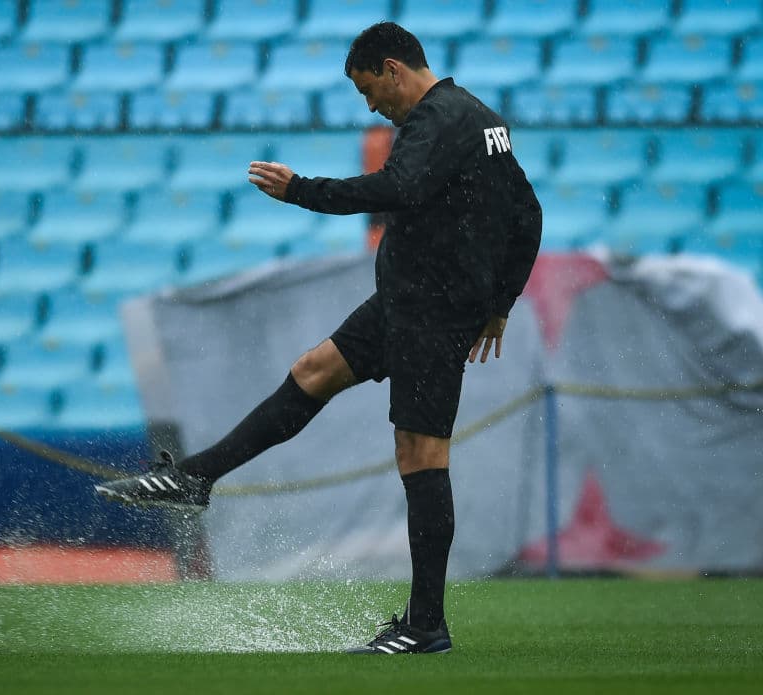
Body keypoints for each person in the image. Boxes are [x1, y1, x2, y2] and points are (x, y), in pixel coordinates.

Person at [95, 21, 542, 655]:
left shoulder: (436, 121)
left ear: (392, 68)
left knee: (421, 455)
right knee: (313, 371)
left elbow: (398, 188)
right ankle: (197, 479)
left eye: (368, 90)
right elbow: (529, 213)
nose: (370, 105)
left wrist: (300, 191)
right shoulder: (480, 117)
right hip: (407, 301)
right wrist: (500, 304)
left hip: (432, 313)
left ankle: (426, 625)